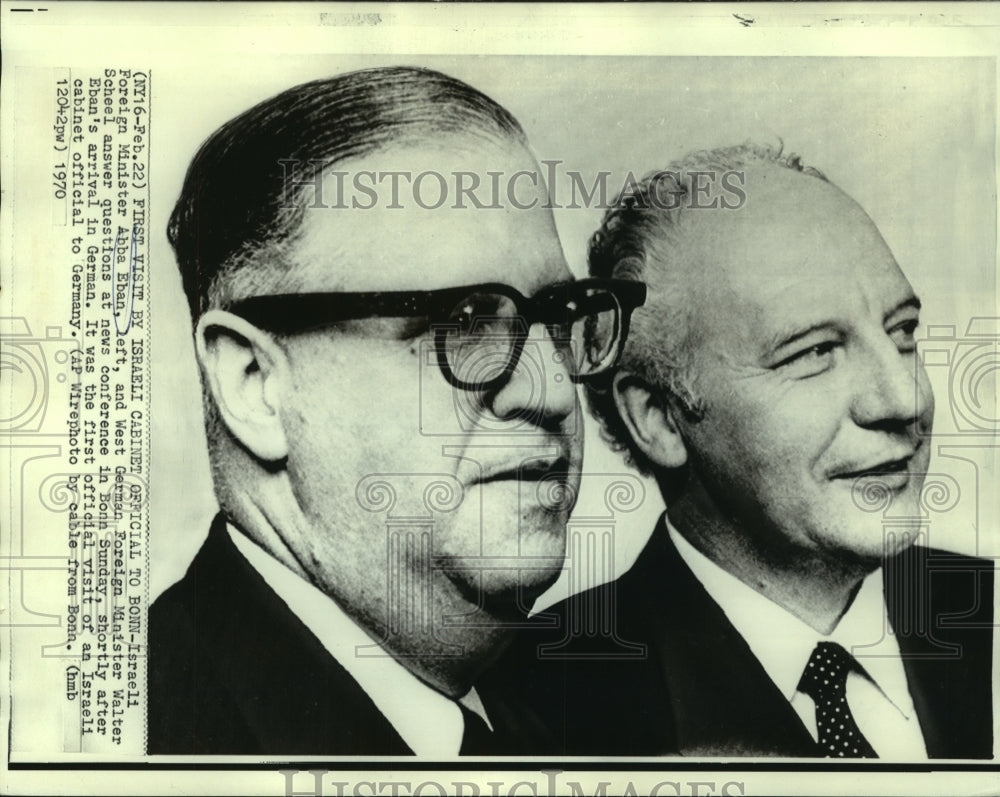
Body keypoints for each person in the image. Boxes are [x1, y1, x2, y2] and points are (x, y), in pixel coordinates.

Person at [147, 66, 645, 755]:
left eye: (558, 320)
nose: (554, 391)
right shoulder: (141, 739)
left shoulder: (582, 729)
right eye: (464, 323)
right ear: (253, 382)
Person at [497, 144, 993, 758]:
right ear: (659, 419)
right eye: (813, 352)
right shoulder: (533, 708)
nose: (902, 399)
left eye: (902, 333)